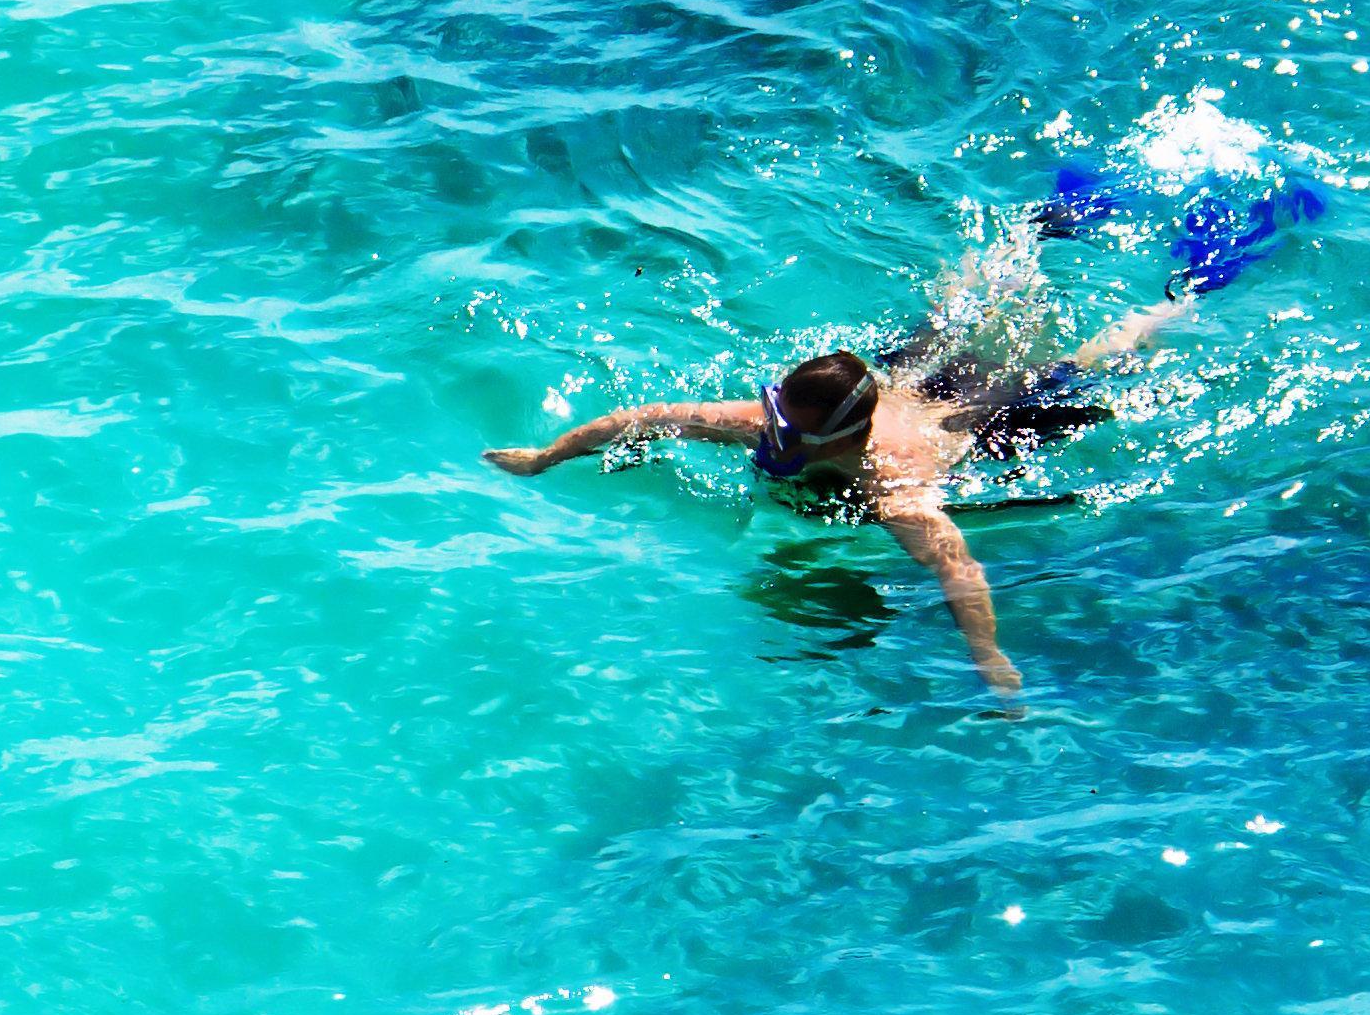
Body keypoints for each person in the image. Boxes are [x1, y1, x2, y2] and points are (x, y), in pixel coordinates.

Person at [482, 268, 1201, 698]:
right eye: (770, 414)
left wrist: (987, 653)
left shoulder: (893, 488)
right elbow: (638, 418)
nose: (767, 435)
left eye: (785, 433)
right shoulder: (767, 420)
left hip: (975, 425)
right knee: (938, 324)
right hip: (903, 389)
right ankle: (1026, 241)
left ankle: (1172, 306)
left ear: (839, 438)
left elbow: (959, 567)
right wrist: (548, 456)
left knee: (1077, 371)